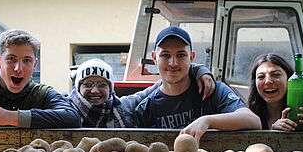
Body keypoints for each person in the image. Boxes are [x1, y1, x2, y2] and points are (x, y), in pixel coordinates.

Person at [135, 26, 262, 142]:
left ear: (192, 57)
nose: (173, 63)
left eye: (180, 55)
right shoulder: (146, 109)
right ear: (154, 58)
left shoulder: (213, 91)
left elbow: (254, 121)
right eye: (165, 55)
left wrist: (207, 120)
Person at [69, 58, 215, 128]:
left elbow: (161, 84)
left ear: (111, 88)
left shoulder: (123, 106)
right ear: (77, 86)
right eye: (87, 84)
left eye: (102, 85)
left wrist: (197, 70)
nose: (95, 91)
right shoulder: (66, 109)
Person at [248, 53, 303, 131]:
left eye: (276, 75)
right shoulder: (248, 115)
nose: (268, 81)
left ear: (289, 79)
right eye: (261, 77)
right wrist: (272, 134)